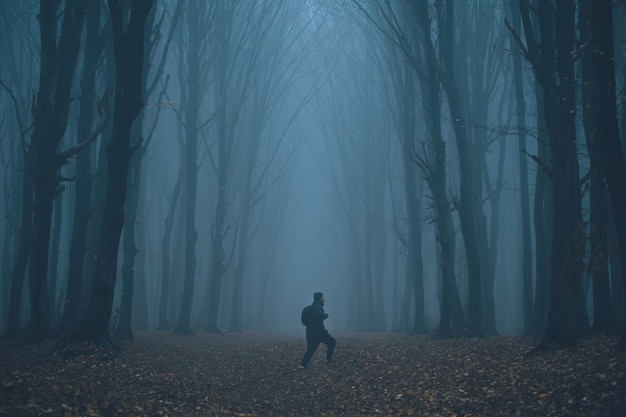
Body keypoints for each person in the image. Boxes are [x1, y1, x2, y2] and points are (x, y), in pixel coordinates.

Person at [300, 292, 336, 369]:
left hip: (310, 332)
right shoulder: (318, 307)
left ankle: (302, 365)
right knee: (332, 342)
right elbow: (319, 315)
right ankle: (328, 359)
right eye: (322, 297)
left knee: (310, 350)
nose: (324, 298)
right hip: (319, 332)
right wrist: (326, 315)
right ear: (319, 298)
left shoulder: (310, 307)